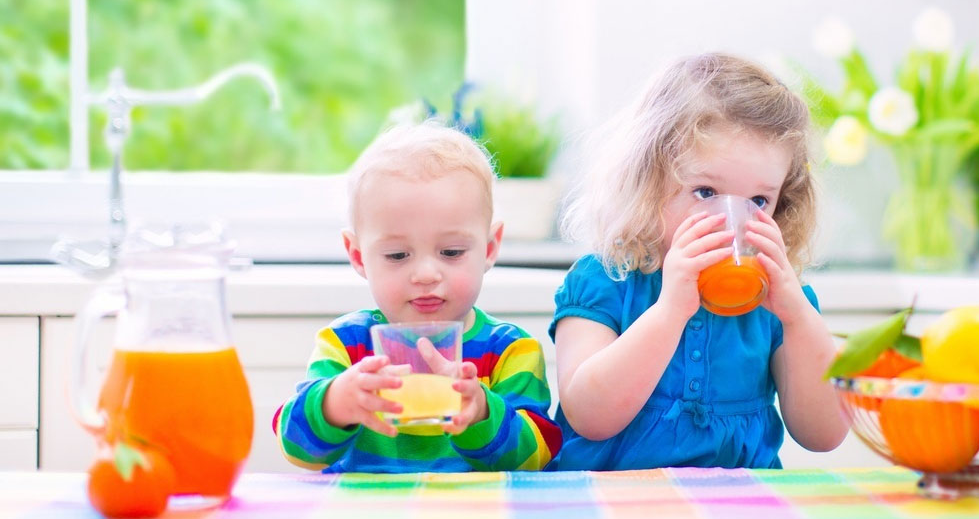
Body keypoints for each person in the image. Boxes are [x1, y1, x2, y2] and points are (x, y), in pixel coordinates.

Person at [551, 53, 847, 470]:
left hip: (739, 513)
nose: (731, 221)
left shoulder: (782, 303)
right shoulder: (605, 280)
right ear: (649, 182)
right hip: (615, 507)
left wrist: (797, 317)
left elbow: (824, 434)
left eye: (759, 201)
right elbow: (589, 416)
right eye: (707, 192)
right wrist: (670, 311)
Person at [274, 123, 561, 472]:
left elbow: (536, 458)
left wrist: (481, 413)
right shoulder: (346, 345)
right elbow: (297, 449)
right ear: (358, 256)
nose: (426, 274)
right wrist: (335, 404)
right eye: (397, 255)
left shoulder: (510, 350)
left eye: (451, 251)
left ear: (489, 248)